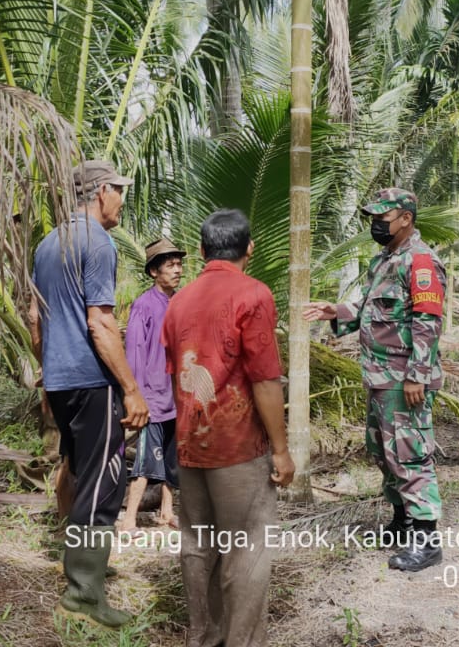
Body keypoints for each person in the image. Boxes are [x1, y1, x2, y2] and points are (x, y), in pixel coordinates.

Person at [162, 209, 294, 647]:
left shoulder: (178, 300)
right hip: (238, 448)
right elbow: (265, 378)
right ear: (250, 249)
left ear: (201, 251)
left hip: (190, 445)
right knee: (246, 546)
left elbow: (172, 372)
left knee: (198, 545)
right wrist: (280, 448)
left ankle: (203, 635)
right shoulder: (253, 294)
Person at [30, 158, 150, 628]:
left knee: (81, 474)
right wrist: (131, 389)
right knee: (103, 486)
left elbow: (36, 320)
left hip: (60, 380)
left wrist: (47, 373)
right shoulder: (97, 242)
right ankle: (82, 595)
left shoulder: (47, 243)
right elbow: (100, 323)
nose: (122, 199)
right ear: (101, 191)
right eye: (119, 190)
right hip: (92, 381)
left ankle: (87, 574)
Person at [303, 187, 446, 573]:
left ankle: (427, 539)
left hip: (404, 380)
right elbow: (368, 307)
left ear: (405, 218)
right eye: (373, 218)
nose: (375, 225)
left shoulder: (420, 262)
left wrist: (416, 375)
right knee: (384, 453)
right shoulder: (384, 260)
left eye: (383, 218)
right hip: (380, 376)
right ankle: (401, 524)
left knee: (410, 454)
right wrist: (334, 311)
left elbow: (428, 322)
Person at [117, 238, 186, 532]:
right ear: (153, 272)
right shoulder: (144, 306)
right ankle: (130, 518)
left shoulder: (180, 302)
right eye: (170, 265)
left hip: (177, 396)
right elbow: (134, 352)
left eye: (179, 264)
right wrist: (136, 396)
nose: (177, 270)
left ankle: (166, 512)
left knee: (173, 459)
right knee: (146, 460)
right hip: (153, 398)